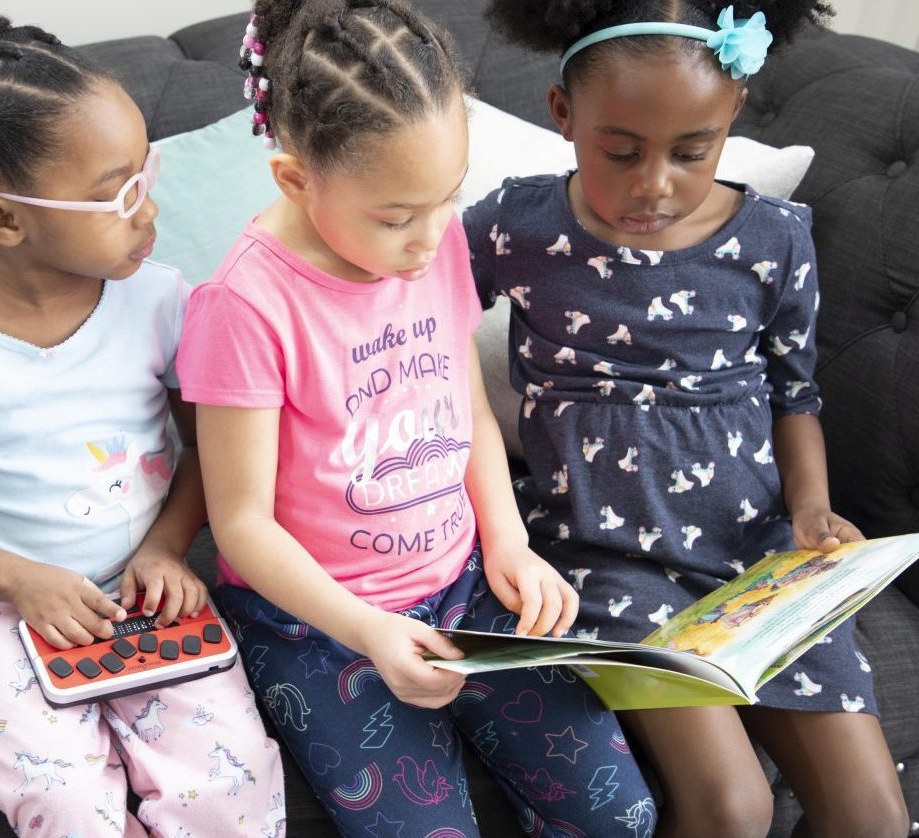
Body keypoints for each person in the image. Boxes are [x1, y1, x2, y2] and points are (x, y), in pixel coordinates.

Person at [177, 2, 656, 835]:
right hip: (318, 626)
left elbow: (463, 401)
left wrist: (508, 541)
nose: (432, 239)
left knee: (622, 815)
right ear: (296, 178)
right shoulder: (243, 306)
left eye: (448, 201)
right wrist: (367, 631)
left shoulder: (433, 249)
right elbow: (241, 524)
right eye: (398, 217)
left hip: (466, 587)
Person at [464, 2, 907, 835]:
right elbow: (409, 315)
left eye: (691, 152)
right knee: (732, 808)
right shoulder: (517, 225)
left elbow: (796, 394)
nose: (653, 184)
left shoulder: (775, 239)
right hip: (603, 563)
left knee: (872, 816)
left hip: (755, 560)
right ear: (563, 114)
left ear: (733, 113)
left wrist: (812, 507)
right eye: (620, 152)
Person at [0, 18, 282, 837]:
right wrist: (19, 580)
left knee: (230, 790)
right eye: (117, 193)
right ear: (3, 220)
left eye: (145, 173)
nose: (149, 207)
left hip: (144, 587)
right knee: (69, 810)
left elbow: (207, 447)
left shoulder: (161, 300)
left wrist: (163, 546)